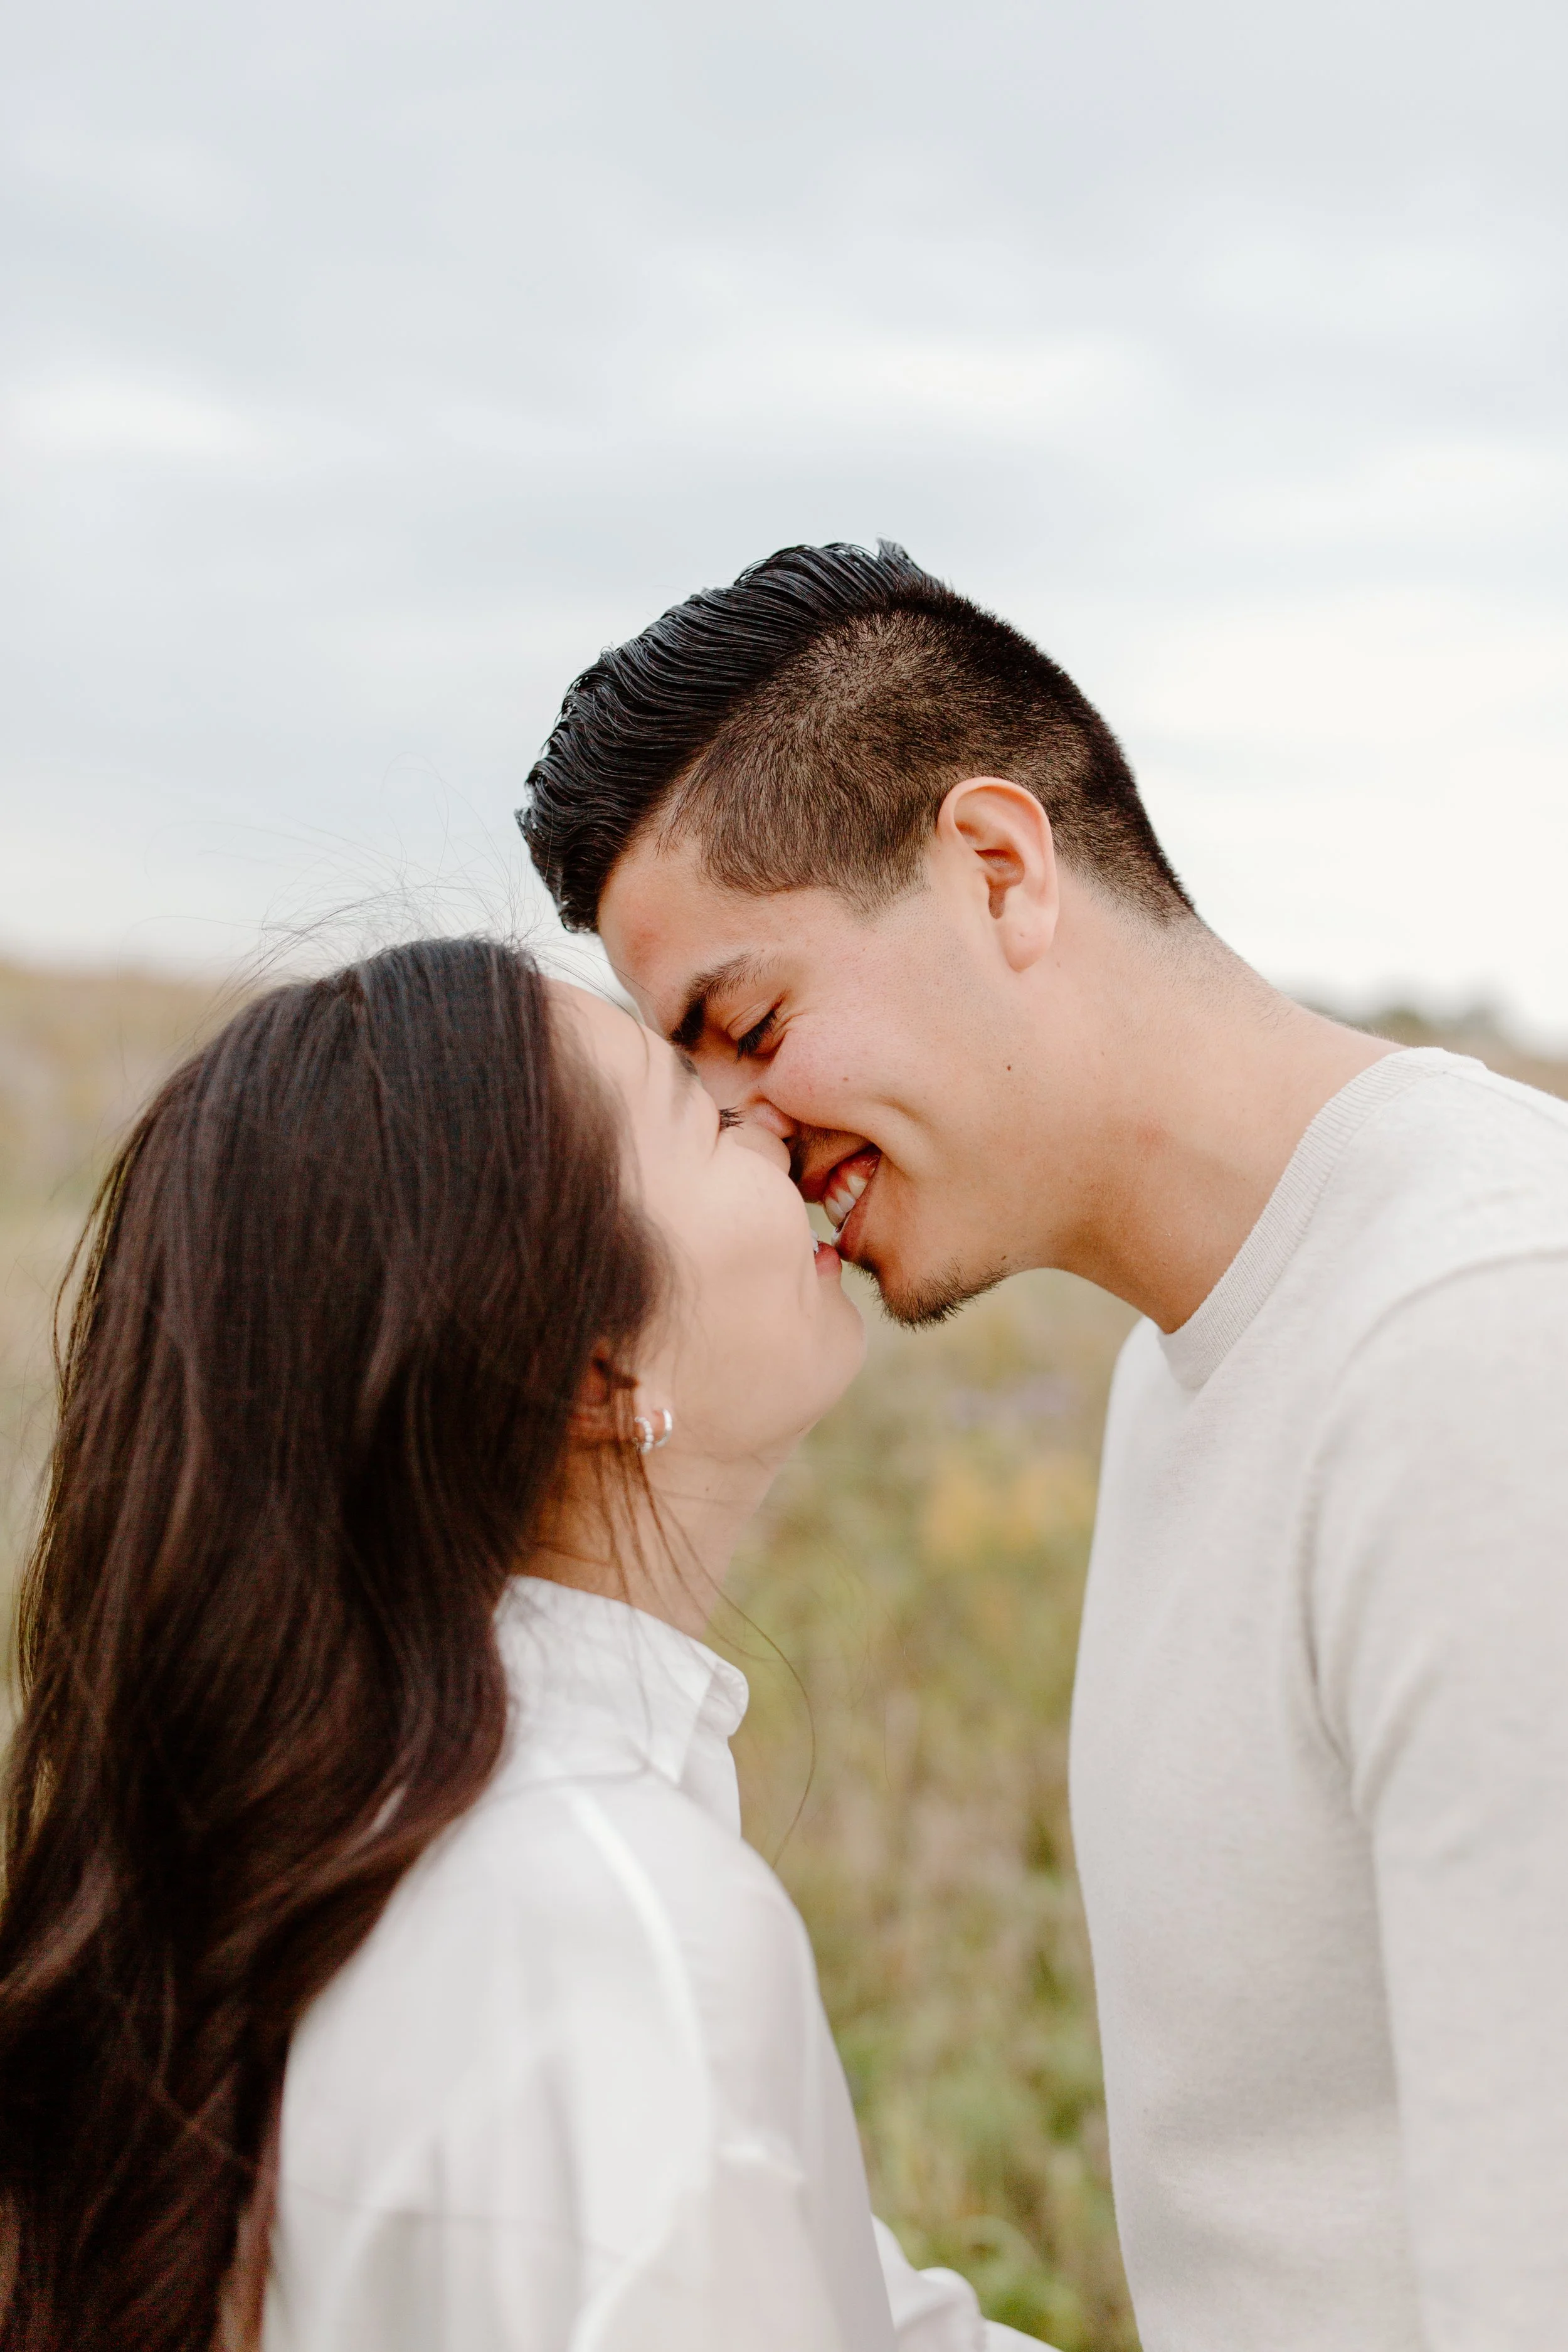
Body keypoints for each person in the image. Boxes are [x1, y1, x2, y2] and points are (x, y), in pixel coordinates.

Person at [518, 541, 1568, 2352]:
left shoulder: (1479, 1343)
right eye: (693, 1090)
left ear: (998, 867)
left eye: (750, 1029)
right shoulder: (1185, 1368)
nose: (746, 1146)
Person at [0, 937, 1039, 2352]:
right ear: (594, 1370)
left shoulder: (346, 1847)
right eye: (706, 1120)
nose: (780, 1126)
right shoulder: (616, 1932)